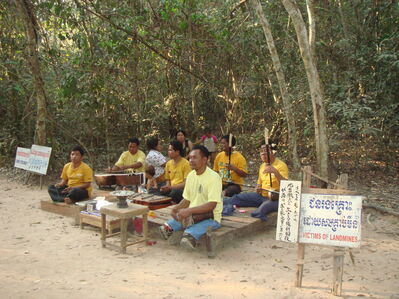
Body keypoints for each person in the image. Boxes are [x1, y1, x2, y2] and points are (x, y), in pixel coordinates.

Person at [159, 145, 223, 250]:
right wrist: (176, 208)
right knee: (164, 229)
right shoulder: (191, 175)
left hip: (211, 217)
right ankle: (185, 230)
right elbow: (187, 199)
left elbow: (212, 205)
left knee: (187, 238)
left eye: (194, 157)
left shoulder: (214, 177)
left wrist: (189, 211)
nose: (191, 160)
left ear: (204, 160)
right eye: (190, 157)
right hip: (192, 215)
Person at [223, 140, 288, 221]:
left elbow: (286, 185)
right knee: (237, 198)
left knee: (263, 208)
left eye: (266, 151)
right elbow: (259, 184)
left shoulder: (281, 165)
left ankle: (255, 221)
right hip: (261, 196)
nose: (263, 153)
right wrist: (258, 188)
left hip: (276, 199)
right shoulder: (262, 166)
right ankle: (220, 205)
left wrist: (275, 171)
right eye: (261, 151)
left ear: (273, 152)